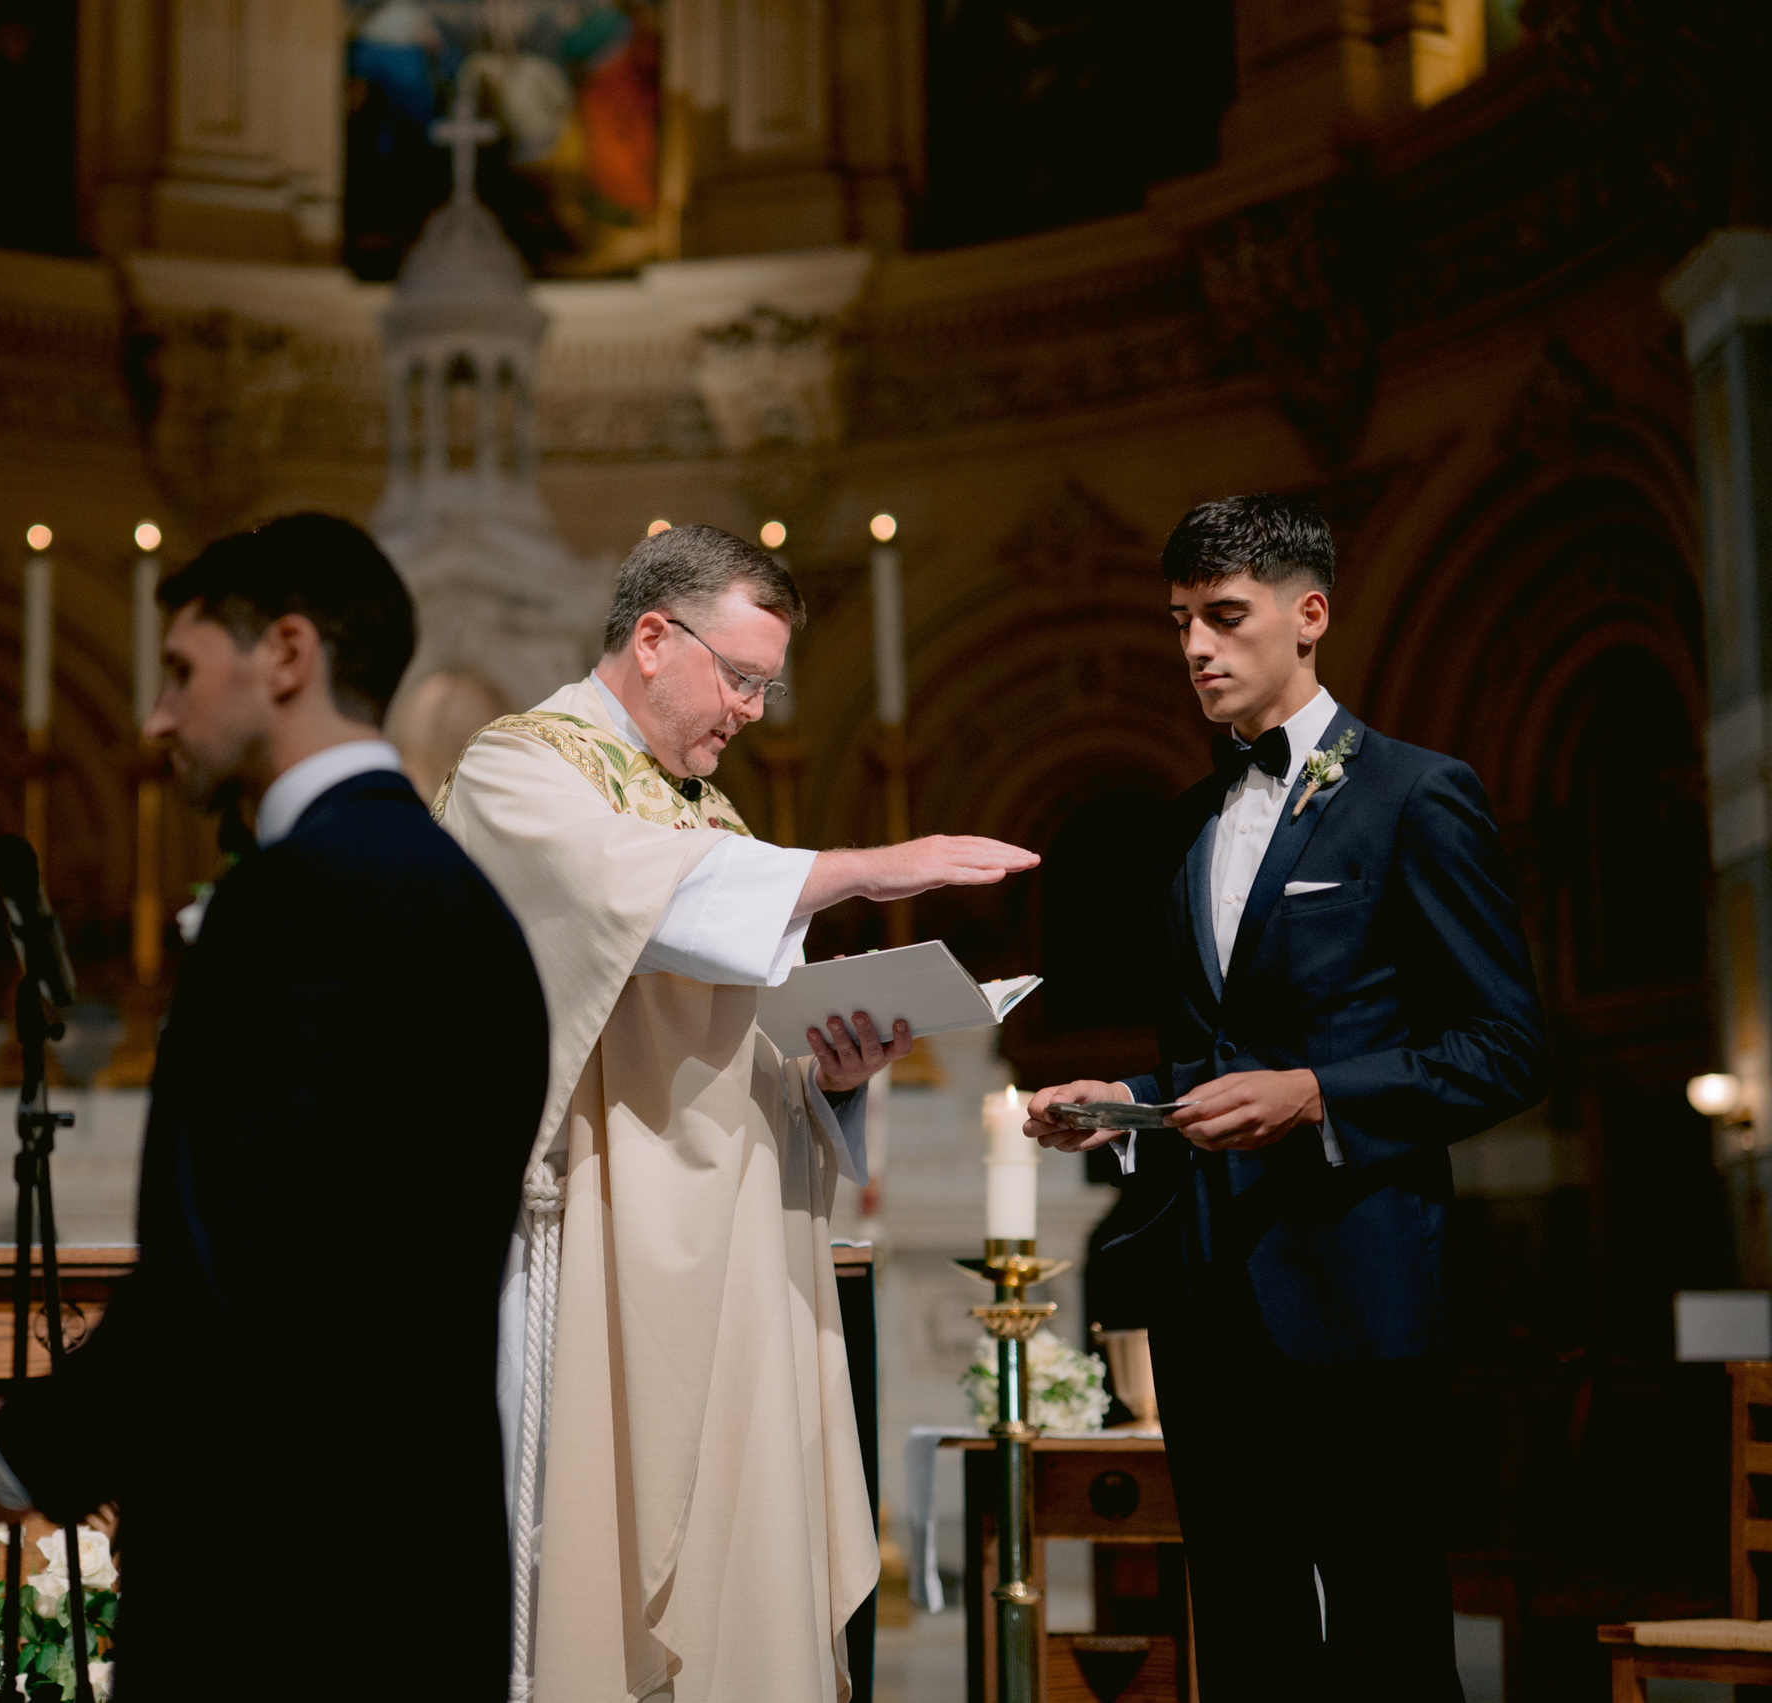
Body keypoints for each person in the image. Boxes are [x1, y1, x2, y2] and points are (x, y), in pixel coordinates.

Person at [0, 514, 549, 1698]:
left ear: (285, 653)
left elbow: (222, 1278)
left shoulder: (288, 903)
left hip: (272, 1591)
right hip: (433, 1578)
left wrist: (9, 1453)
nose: (158, 718)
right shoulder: (478, 914)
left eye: (181, 672)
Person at [431, 523, 1040, 1703]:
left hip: (734, 1257)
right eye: (740, 676)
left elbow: (745, 1037)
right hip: (593, 1241)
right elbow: (628, 893)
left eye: (767, 685)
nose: (753, 711)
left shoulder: (709, 816)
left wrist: (834, 1070)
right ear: (652, 638)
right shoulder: (518, 769)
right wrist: (866, 866)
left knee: (737, 1569)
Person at [1023, 495, 1546, 1700]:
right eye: (1179, 622)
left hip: (1358, 1290)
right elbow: (1219, 1054)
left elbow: (1507, 1047)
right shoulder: (1184, 825)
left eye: (1223, 615)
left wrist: (1316, 1094)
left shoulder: (1417, 795)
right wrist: (1131, 1097)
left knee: (1388, 1633)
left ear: (1308, 616)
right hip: (1207, 1298)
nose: (1195, 647)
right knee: (1245, 1635)